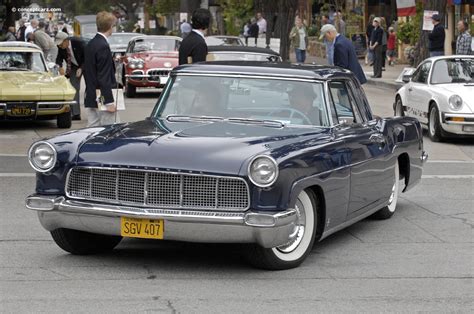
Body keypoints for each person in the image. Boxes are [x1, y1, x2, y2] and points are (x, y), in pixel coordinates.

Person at [83, 11, 118, 127]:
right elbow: (104, 76)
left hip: (91, 94)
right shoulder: (103, 46)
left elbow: (88, 71)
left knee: (92, 130)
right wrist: (108, 101)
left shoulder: (90, 44)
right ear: (110, 26)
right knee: (109, 130)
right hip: (102, 97)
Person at [55, 32, 85, 121]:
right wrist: (59, 67)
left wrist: (82, 68)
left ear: (66, 40)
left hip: (86, 64)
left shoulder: (78, 42)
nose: (60, 46)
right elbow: (59, 58)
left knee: (91, 87)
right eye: (59, 45)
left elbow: (87, 56)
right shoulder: (60, 47)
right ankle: (76, 113)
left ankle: (95, 108)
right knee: (74, 88)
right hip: (74, 66)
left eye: (61, 44)